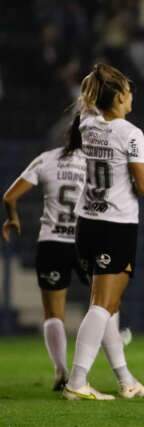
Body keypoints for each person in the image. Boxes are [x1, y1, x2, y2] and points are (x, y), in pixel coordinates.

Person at [62, 63, 144, 400]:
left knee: (107, 307)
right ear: (117, 97)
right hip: (115, 224)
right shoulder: (131, 133)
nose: (132, 97)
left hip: (86, 223)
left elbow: (88, 107)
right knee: (103, 305)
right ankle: (77, 381)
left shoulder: (86, 123)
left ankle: (126, 380)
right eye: (128, 92)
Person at [2, 142, 87, 391]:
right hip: (85, 242)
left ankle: (61, 371)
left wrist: (13, 218)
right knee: (106, 304)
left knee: (53, 313)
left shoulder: (46, 159)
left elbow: (10, 196)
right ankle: (117, 373)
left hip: (52, 242)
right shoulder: (94, 161)